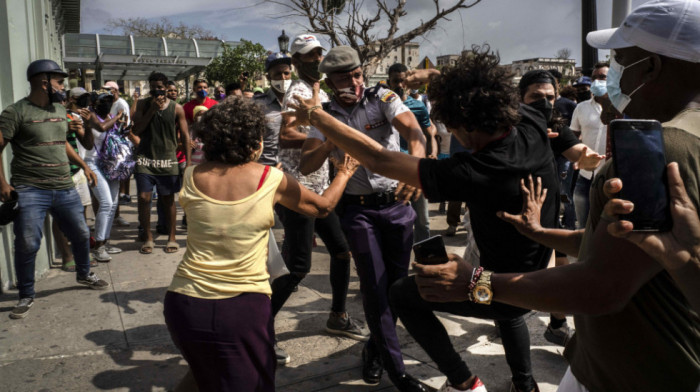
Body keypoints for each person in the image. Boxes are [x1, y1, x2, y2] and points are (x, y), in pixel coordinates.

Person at [406, 2, 700, 390]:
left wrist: (476, 280)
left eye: (620, 61)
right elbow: (624, 248)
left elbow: (600, 288)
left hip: (634, 374)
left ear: (650, 68)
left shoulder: (659, 151)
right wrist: (539, 232)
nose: (612, 76)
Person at [289, 45, 558, 392]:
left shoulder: (473, 171)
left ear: (463, 126)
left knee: (403, 293)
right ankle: (525, 384)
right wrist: (434, 75)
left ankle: (464, 382)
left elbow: (379, 159)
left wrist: (317, 117)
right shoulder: (531, 121)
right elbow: (478, 91)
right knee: (505, 316)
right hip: (538, 275)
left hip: (498, 287)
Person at [163, 96, 360, 392]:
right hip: (240, 308)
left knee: (204, 374)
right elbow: (322, 208)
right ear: (255, 141)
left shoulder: (191, 176)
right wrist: (344, 173)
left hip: (183, 302)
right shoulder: (271, 178)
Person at [297, 46, 428, 392]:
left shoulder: (381, 97)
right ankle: (397, 371)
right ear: (329, 81)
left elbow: (415, 132)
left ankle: (375, 347)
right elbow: (306, 164)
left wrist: (415, 169)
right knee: (373, 285)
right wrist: (330, 137)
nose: (353, 82)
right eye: (344, 77)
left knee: (397, 287)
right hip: (357, 211)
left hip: (397, 204)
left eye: (357, 74)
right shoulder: (323, 113)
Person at [273, 35, 368, 366]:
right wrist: (327, 136)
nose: (316, 58)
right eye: (309, 55)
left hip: (320, 186)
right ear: (296, 61)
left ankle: (338, 316)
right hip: (298, 187)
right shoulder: (297, 90)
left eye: (319, 53)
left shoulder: (322, 91)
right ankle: (258, 328)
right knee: (298, 266)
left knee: (341, 252)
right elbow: (286, 134)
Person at [0, 60, 109, 319]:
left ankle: (84, 273)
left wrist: (84, 165)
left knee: (82, 234)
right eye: (60, 81)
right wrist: (3, 184)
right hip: (29, 189)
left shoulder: (60, 110)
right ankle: (26, 294)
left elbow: (63, 144)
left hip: (64, 185)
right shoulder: (15, 112)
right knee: (27, 243)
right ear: (44, 82)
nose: (63, 86)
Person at [517, 69, 605, 346]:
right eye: (536, 97)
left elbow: (576, 150)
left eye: (550, 97)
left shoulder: (556, 124)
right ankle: (507, 313)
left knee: (559, 261)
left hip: (551, 205)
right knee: (513, 265)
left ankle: (557, 322)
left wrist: (588, 157)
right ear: (520, 98)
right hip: (514, 204)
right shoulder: (507, 125)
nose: (544, 103)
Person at [132, 72, 190, 255]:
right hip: (145, 159)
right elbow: (137, 129)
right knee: (143, 198)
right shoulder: (142, 104)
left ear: (166, 87)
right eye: (153, 87)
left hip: (167, 159)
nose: (156, 90)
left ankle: (171, 238)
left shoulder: (176, 108)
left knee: (167, 200)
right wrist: (152, 111)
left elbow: (186, 136)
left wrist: (188, 163)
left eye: (160, 87)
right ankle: (148, 236)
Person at [387, 62, 438, 242]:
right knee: (397, 220)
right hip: (393, 172)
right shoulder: (381, 106)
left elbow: (429, 132)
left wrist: (432, 154)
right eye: (395, 82)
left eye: (402, 81)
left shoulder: (418, 107)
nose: (400, 86)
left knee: (422, 221)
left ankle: (426, 261)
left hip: (416, 170)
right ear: (389, 82)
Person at [82, 93, 126, 262]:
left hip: (108, 163)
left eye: (109, 101)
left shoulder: (110, 117)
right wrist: (118, 117)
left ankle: (105, 241)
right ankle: (98, 246)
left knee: (113, 203)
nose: (106, 104)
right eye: (102, 101)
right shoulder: (91, 115)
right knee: (106, 202)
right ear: (94, 103)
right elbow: (101, 127)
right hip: (91, 163)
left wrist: (122, 123)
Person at [571, 63, 609, 229]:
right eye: (594, 78)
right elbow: (572, 137)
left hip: (611, 175)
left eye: (602, 77)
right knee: (583, 227)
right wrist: (577, 157)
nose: (597, 81)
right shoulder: (581, 108)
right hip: (586, 175)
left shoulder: (623, 108)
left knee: (606, 228)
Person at [253, 52, 292, 167]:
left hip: (294, 169)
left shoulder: (300, 102)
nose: (283, 78)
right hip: (265, 168)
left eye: (286, 73)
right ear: (268, 77)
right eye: (278, 74)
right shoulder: (256, 105)